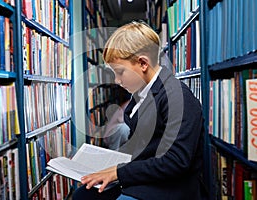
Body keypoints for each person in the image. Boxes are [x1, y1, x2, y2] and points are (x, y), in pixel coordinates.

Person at [72, 21, 208, 200]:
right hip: (146, 175)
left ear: (143, 63)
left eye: (120, 72)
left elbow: (175, 162)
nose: (117, 80)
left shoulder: (177, 98)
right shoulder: (142, 93)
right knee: (84, 194)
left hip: (170, 187)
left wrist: (118, 172)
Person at [103, 85, 131, 150]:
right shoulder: (128, 104)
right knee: (124, 128)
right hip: (110, 135)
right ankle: (114, 153)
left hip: (117, 135)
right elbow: (121, 119)